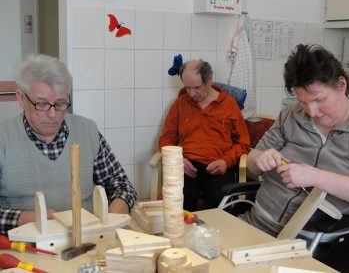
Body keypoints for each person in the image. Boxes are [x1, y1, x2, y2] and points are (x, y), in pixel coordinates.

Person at [242, 44, 349, 237]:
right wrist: (259, 159)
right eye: (303, 101)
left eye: (319, 100)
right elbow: (250, 167)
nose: (311, 111)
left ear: (341, 85)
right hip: (257, 222)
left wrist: (315, 177)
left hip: (312, 241)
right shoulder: (291, 114)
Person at [0, 54, 137, 235]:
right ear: (21, 99)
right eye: (41, 104)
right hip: (24, 245)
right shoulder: (4, 139)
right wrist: (24, 218)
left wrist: (119, 204)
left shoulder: (86, 130)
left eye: (60, 104)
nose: (52, 114)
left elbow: (119, 182)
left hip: (86, 238)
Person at [159, 59, 250, 211]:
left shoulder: (228, 104)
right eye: (187, 88)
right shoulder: (180, 103)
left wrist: (226, 162)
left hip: (219, 167)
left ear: (209, 79)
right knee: (177, 203)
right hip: (186, 166)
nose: (192, 94)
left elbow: (243, 143)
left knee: (220, 204)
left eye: (197, 88)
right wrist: (178, 160)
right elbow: (166, 138)